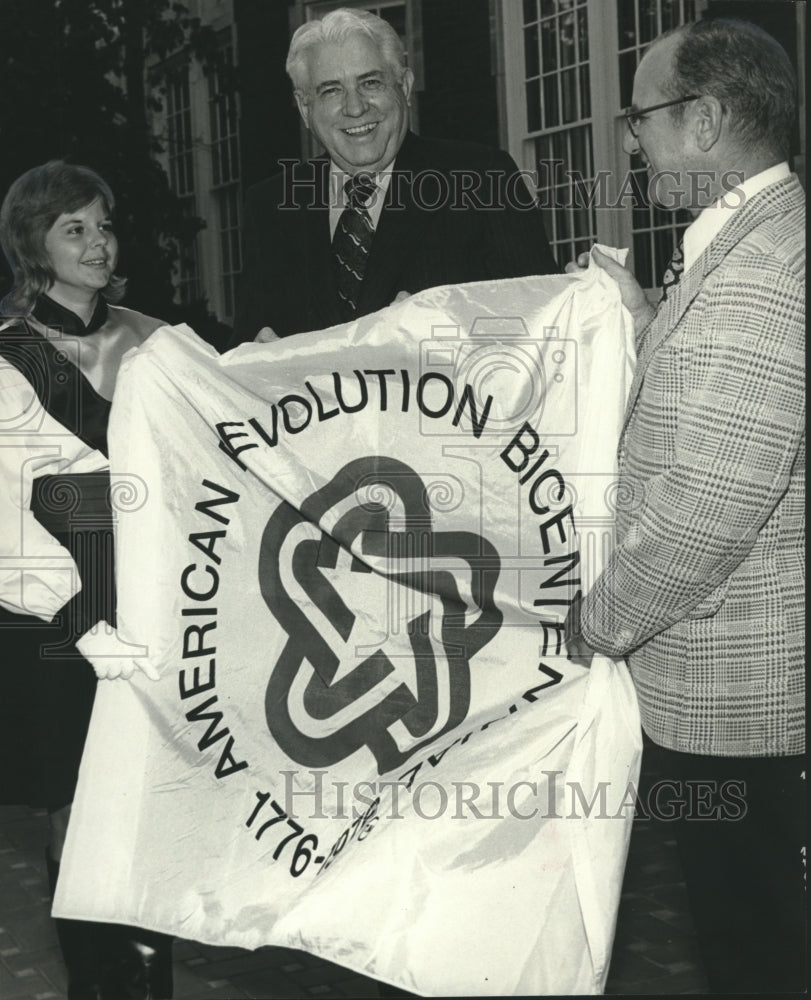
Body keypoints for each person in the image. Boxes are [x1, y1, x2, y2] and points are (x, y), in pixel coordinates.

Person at [565, 19, 805, 994]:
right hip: (735, 701)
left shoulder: (754, 273)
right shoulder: (756, 241)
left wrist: (596, 623)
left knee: (757, 951)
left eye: (643, 117)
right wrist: (644, 319)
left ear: (703, 120)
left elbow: (709, 503)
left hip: (738, 710)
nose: (634, 140)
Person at [0, 161, 174, 999]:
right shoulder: (8, 357)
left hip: (155, 598)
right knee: (78, 806)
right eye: (75, 229)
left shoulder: (155, 340)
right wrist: (73, 616)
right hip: (61, 620)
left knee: (152, 797)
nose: (99, 243)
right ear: (34, 244)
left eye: (103, 225)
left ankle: (150, 983)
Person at [230, 6, 558, 346]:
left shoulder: (484, 180)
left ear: (405, 86)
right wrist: (252, 356)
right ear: (304, 108)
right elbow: (245, 344)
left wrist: (450, 328)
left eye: (370, 83)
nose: (355, 107)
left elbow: (548, 323)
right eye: (331, 90)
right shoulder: (269, 206)